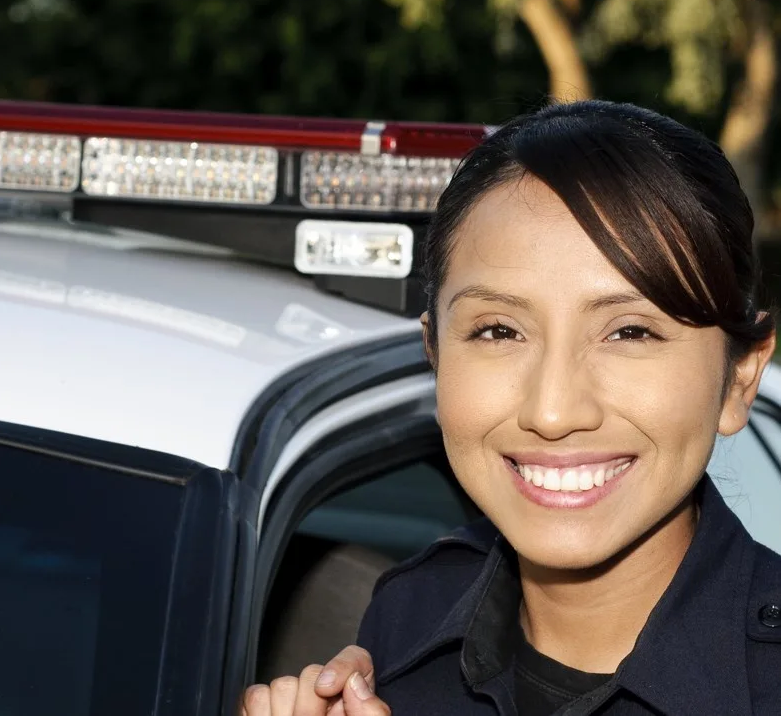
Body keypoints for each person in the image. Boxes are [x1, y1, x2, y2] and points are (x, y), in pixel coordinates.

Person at [243, 100, 781, 715]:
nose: (553, 411)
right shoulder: (407, 618)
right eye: (499, 331)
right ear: (436, 355)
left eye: (630, 332)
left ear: (739, 377)